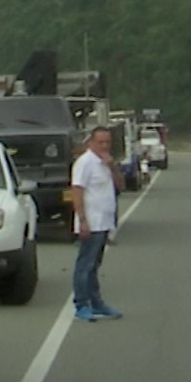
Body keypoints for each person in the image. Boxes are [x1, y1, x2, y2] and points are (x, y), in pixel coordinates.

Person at [69, 126, 121, 322]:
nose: (104, 146)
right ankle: (81, 304)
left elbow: (120, 186)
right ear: (90, 143)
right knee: (85, 264)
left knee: (94, 265)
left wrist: (113, 167)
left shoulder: (105, 163)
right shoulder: (85, 163)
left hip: (104, 223)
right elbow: (77, 191)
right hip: (91, 222)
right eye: (100, 142)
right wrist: (82, 220)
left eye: (107, 142)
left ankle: (97, 303)